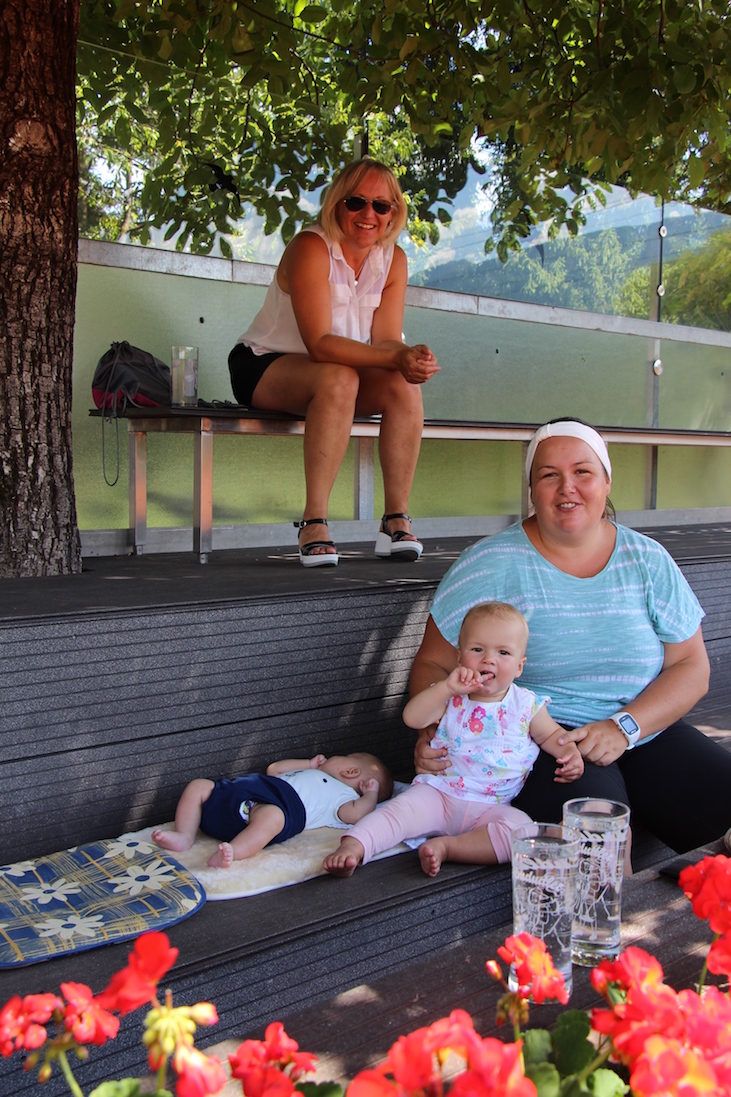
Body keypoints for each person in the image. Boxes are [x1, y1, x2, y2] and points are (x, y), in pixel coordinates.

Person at [410, 417, 731, 855]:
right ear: (532, 489)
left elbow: (691, 666)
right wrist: (436, 732)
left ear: (606, 481)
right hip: (542, 744)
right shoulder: (488, 563)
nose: (568, 488)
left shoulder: (647, 559)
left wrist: (624, 727)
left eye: (583, 472)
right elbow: (433, 662)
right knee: (601, 843)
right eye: (549, 475)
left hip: (643, 730)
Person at [228, 158, 439, 568]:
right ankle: (313, 522)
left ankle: (395, 519)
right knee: (339, 378)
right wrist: (395, 355)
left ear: (394, 212)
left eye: (381, 205)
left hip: (339, 373)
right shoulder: (310, 247)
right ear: (336, 204)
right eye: (356, 201)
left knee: (402, 384)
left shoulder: (393, 260)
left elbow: (384, 339)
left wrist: (410, 358)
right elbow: (320, 344)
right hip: (263, 364)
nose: (368, 214)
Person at [323, 602, 583, 879]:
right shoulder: (451, 696)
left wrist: (570, 753)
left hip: (492, 806)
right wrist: (446, 688)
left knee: (520, 832)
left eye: (503, 653)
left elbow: (552, 735)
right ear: (459, 657)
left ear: (519, 666)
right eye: (477, 650)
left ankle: (449, 848)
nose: (489, 660)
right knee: (397, 813)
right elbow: (413, 718)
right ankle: (355, 846)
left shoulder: (526, 705)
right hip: (438, 795)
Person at [152, 752, 393, 869]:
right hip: (245, 791)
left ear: (351, 772)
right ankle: (185, 836)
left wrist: (370, 795)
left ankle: (233, 851)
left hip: (281, 806)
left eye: (347, 756)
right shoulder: (312, 772)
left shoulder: (345, 796)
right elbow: (274, 769)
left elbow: (356, 815)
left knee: (272, 817)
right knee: (199, 786)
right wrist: (308, 764)